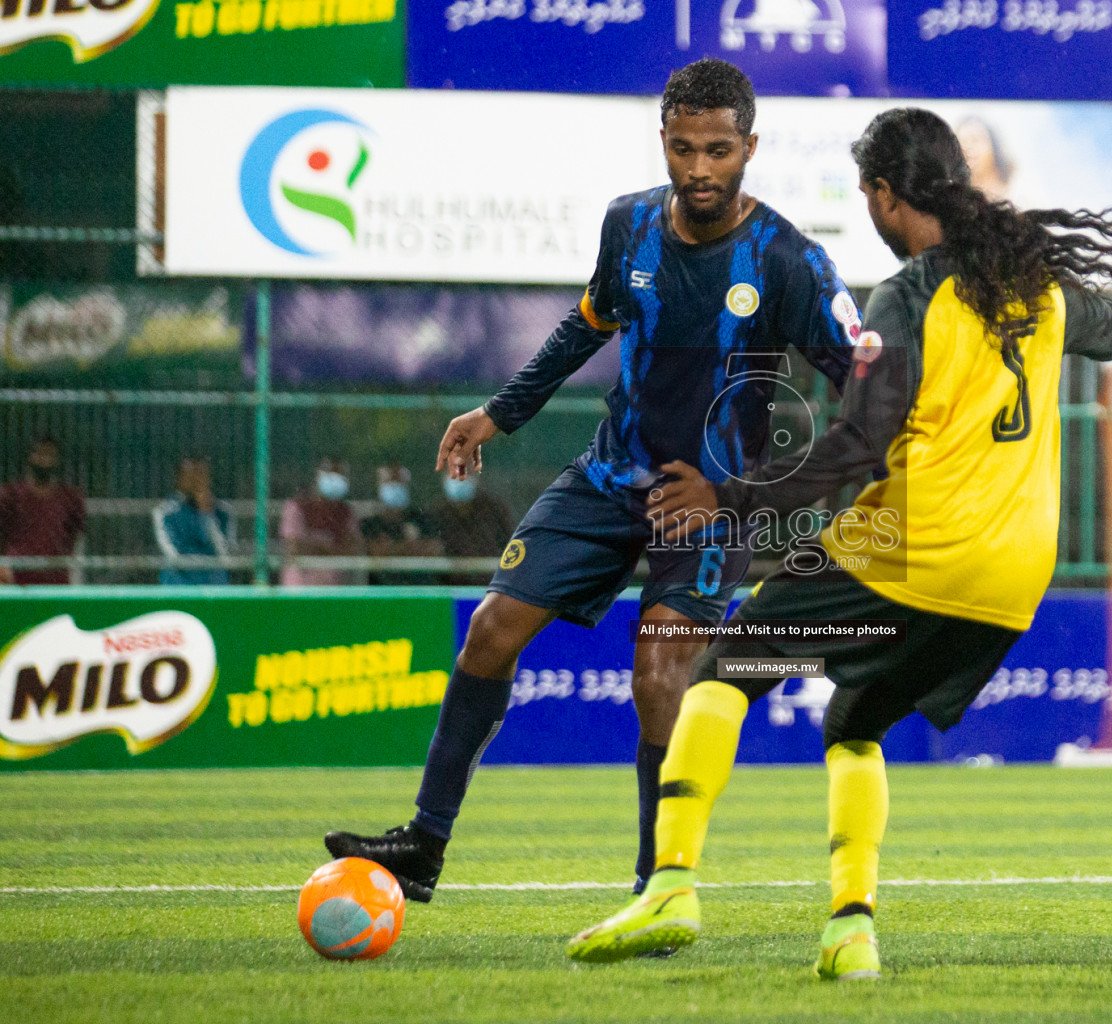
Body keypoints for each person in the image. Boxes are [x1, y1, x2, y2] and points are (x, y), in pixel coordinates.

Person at [567, 108, 1112, 977]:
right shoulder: (1033, 287)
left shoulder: (913, 291)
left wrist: (727, 496)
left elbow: (857, 445)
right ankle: (851, 929)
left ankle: (670, 882)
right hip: (1012, 577)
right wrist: (1033, 260)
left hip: (920, 542)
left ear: (887, 196)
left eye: (869, 198)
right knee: (855, 721)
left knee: (724, 667)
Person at [323, 59, 858, 905]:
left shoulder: (791, 262)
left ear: (750, 146)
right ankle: (424, 843)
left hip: (711, 503)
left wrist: (755, 497)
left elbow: (868, 395)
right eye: (684, 149)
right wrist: (498, 413)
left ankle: (659, 883)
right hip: (610, 477)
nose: (700, 169)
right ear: (664, 142)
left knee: (658, 677)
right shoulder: (630, 225)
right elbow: (587, 326)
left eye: (719, 150)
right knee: (492, 629)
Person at [0, 436, 87, 585]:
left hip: (55, 581)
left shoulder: (69, 498)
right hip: (16, 581)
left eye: (49, 455)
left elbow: (76, 536)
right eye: (40, 453)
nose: (44, 460)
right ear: (30, 456)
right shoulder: (11, 495)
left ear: (57, 459)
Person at [279, 457, 363, 586]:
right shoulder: (296, 507)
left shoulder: (346, 512)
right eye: (330, 473)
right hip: (299, 589)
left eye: (340, 475)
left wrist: (319, 548)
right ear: (317, 475)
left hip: (333, 590)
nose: (335, 479)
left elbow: (351, 550)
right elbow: (295, 548)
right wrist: (330, 550)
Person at [152, 456, 235, 585]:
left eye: (200, 474)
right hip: (180, 584)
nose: (195, 480)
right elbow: (173, 556)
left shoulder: (223, 512)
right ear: (179, 478)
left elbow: (226, 554)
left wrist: (206, 514)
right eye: (189, 474)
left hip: (213, 584)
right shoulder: (166, 512)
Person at [359, 464, 441, 586]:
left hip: (417, 588)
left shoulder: (420, 518)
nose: (395, 487)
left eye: (399, 482)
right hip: (379, 589)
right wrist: (410, 547)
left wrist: (391, 549)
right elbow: (374, 552)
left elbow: (434, 549)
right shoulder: (370, 523)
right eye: (390, 482)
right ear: (379, 486)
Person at [428, 471, 514, 587]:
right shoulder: (435, 514)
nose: (460, 476)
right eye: (454, 468)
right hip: (447, 591)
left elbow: (512, 546)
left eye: (466, 468)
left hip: (489, 588)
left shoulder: (494, 509)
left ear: (477, 476)